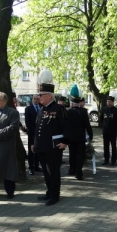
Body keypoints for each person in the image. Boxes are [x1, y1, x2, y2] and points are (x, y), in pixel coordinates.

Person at [32, 69, 70, 206]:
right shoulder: (42, 110)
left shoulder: (59, 109)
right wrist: (34, 143)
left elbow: (66, 127)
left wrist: (65, 142)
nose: (39, 97)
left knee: (53, 172)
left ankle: (55, 195)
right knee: (46, 173)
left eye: (41, 95)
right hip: (42, 147)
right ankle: (49, 191)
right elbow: (38, 129)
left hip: (54, 147)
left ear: (49, 96)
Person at [67, 84, 93, 180]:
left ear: (72, 104)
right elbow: (87, 125)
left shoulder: (68, 112)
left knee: (72, 154)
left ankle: (72, 169)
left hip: (71, 137)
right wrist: (90, 135)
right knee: (80, 155)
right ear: (78, 104)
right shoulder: (83, 112)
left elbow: (66, 125)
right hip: (80, 137)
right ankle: (79, 173)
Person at [0, 92, 20, 199]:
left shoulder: (12, 112)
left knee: (8, 169)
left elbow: (13, 127)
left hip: (5, 145)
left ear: (5, 101)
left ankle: (10, 191)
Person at [25, 94, 43, 175]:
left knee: (38, 149)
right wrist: (34, 130)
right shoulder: (28, 108)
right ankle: (31, 167)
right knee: (31, 150)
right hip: (32, 133)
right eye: (34, 99)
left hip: (40, 133)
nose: (36, 100)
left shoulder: (42, 108)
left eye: (37, 99)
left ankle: (36, 165)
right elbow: (27, 121)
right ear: (32, 99)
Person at [100, 96, 117, 165]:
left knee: (113, 145)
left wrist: (115, 126)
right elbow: (101, 118)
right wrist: (104, 125)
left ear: (113, 102)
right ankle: (106, 159)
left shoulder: (116, 110)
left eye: (110, 102)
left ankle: (113, 160)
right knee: (106, 145)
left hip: (113, 130)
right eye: (107, 101)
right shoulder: (104, 109)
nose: (108, 103)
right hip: (105, 130)